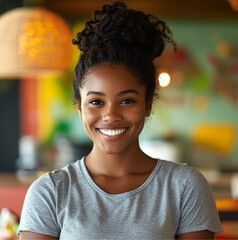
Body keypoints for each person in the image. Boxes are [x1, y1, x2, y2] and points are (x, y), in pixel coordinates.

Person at [18, 1, 223, 239]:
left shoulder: (185, 187)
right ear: (80, 109)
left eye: (127, 101)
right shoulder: (50, 192)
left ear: (147, 105)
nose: (111, 116)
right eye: (96, 102)